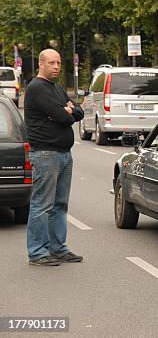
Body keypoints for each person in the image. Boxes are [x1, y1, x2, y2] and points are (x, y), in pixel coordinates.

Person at [24, 49, 85, 266]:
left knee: (60, 204)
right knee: (42, 205)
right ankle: (38, 252)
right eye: (51, 62)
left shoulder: (57, 88)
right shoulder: (37, 88)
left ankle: (58, 248)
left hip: (64, 155)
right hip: (46, 154)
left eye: (59, 62)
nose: (57, 66)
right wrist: (66, 111)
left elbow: (79, 112)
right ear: (41, 64)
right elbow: (63, 116)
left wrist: (69, 110)